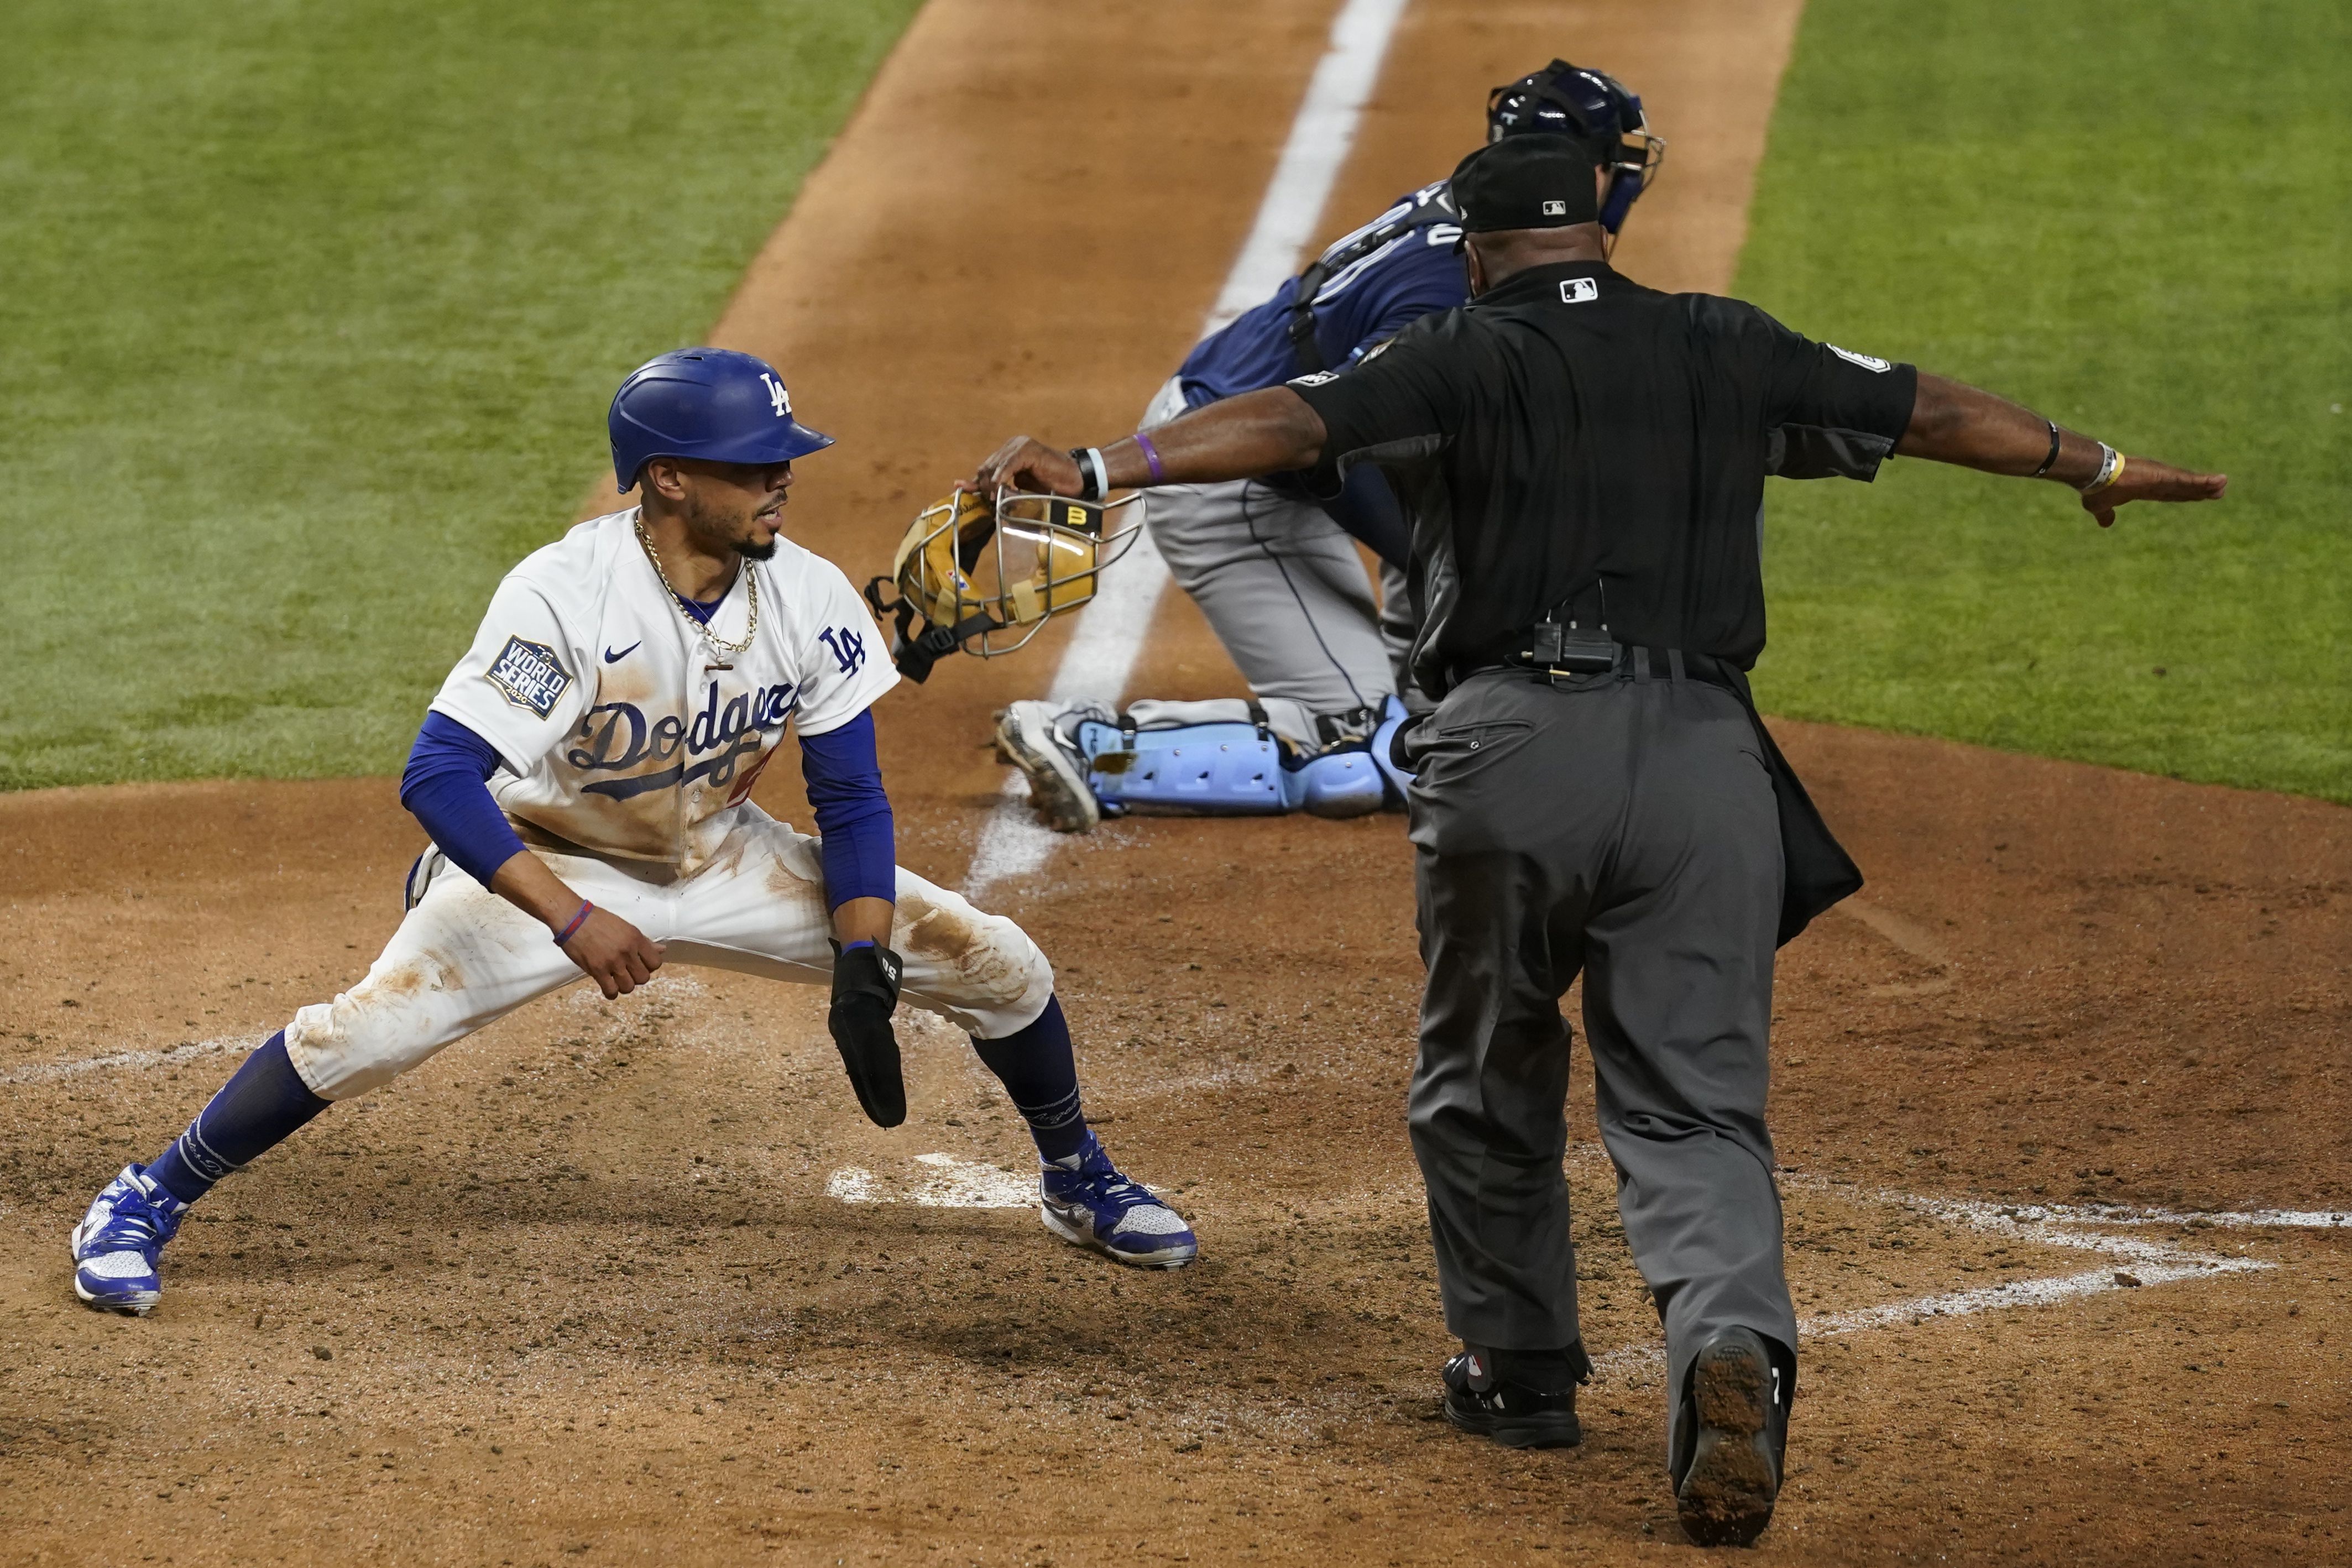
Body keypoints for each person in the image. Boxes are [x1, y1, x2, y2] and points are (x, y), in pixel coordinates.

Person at [965, 137, 2224, 1544]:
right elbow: (1924, 408)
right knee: (1693, 1103)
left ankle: (1518, 1376)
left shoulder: (1453, 348)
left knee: (1488, 1057)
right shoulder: (1723, 342)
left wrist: (1100, 463)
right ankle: (1724, 1349)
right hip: (1705, 762)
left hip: (1513, 758)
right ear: (1601, 242)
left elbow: (1285, 426)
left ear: (1478, 250)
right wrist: (2089, 462)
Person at [70, 348, 1198, 1319]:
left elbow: (850, 797)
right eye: (754, 463)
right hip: (553, 854)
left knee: (1000, 962)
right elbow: (439, 772)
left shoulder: (804, 597)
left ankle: (1077, 1175)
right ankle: (147, 1192)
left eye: (784, 457)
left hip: (721, 850)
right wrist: (570, 918)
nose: (782, 480)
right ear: (668, 478)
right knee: (366, 1035)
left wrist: (864, 958)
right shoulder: (564, 594)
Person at [991, 61, 1666, 832]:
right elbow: (1313, 437)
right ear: (1585, 173)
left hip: (1291, 446)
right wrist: (1441, 559)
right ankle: (1091, 745)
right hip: (1234, 470)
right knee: (1355, 748)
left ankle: (1427, 683)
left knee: (1465, 511)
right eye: (1617, 157)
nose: (1629, 177)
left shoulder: (1489, 226)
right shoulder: (1444, 293)